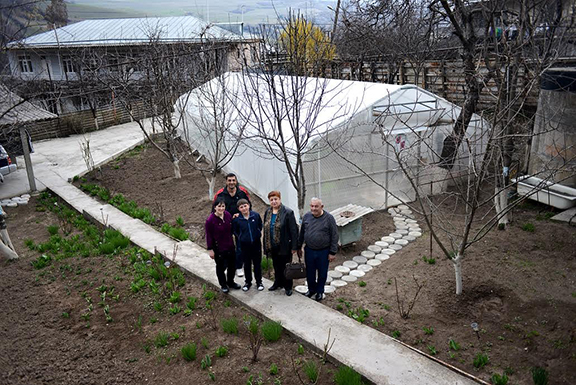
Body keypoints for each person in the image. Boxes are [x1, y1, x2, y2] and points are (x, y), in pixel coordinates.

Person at [298, 197, 339, 302]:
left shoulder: (329, 218)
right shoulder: (307, 216)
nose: (314, 208)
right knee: (310, 272)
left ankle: (320, 291)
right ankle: (311, 290)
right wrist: (299, 247)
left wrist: (332, 252)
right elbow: (302, 233)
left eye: (316, 206)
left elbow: (334, 235)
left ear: (322, 206)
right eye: (312, 206)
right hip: (309, 250)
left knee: (322, 272)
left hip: (323, 251)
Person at [213, 173, 251, 277]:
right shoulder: (220, 194)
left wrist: (242, 215)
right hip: (226, 224)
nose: (231, 182)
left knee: (240, 246)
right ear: (226, 181)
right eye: (229, 180)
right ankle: (226, 266)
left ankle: (239, 266)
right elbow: (214, 210)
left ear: (236, 181)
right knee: (226, 247)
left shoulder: (243, 192)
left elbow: (249, 207)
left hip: (240, 224)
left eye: (233, 180)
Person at [262, 191, 299, 296]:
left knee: (286, 267)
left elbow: (293, 231)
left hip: (284, 246)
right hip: (272, 246)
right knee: (276, 266)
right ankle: (277, 283)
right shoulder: (267, 212)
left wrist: (294, 247)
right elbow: (266, 228)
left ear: (280, 199)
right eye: (271, 199)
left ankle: (288, 286)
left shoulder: (288, 212)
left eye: (276, 199)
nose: (274, 201)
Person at [205, 197, 241, 293]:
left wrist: (236, 218)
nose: (221, 208)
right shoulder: (210, 220)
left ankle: (231, 282)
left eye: (223, 206)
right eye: (219, 206)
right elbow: (208, 236)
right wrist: (210, 249)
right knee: (221, 267)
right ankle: (223, 284)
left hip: (230, 246)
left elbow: (232, 226)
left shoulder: (228, 215)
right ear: (215, 207)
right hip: (219, 248)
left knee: (232, 266)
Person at [232, 199, 264, 292]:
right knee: (247, 264)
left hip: (256, 243)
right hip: (244, 245)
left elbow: (260, 225)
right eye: (241, 207)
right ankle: (248, 282)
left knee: (257, 264)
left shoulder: (255, 215)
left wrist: (257, 234)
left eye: (245, 206)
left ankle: (259, 282)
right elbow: (235, 231)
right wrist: (242, 237)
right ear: (238, 209)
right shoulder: (237, 220)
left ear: (249, 205)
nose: (244, 208)